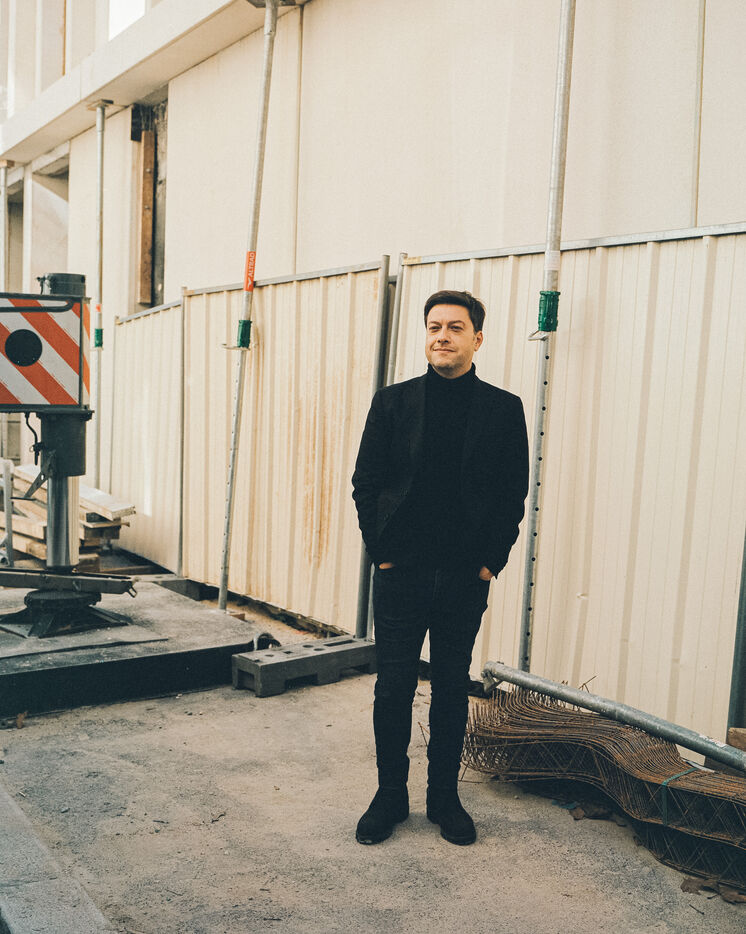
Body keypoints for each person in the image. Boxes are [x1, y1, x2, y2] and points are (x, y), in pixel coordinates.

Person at [351, 289, 529, 846]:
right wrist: (380, 550)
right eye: (434, 327)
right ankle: (390, 796)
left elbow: (512, 494)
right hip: (400, 571)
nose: (442, 336)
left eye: (455, 327)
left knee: (452, 686)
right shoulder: (392, 403)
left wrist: (490, 563)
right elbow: (365, 483)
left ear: (478, 338)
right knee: (393, 687)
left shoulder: (504, 409)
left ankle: (444, 799)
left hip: (462, 576)